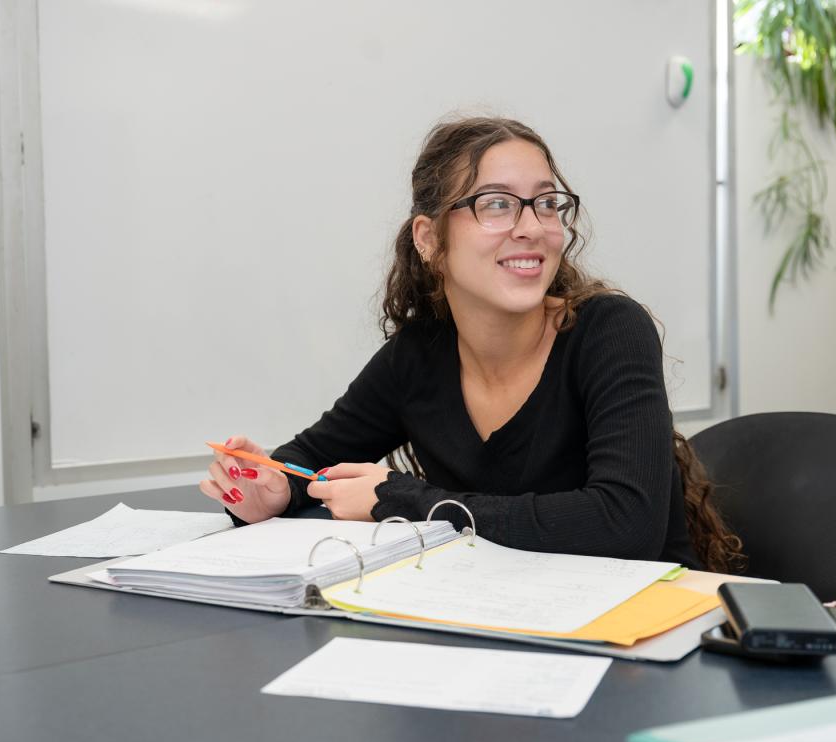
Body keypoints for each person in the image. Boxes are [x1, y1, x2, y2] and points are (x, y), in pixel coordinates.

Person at [200, 117, 744, 572]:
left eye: (546, 202)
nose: (531, 226)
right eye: (497, 204)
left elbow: (626, 528)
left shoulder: (609, 330)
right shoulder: (422, 353)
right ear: (430, 239)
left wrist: (408, 500)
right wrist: (276, 490)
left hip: (641, 641)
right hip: (500, 621)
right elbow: (309, 461)